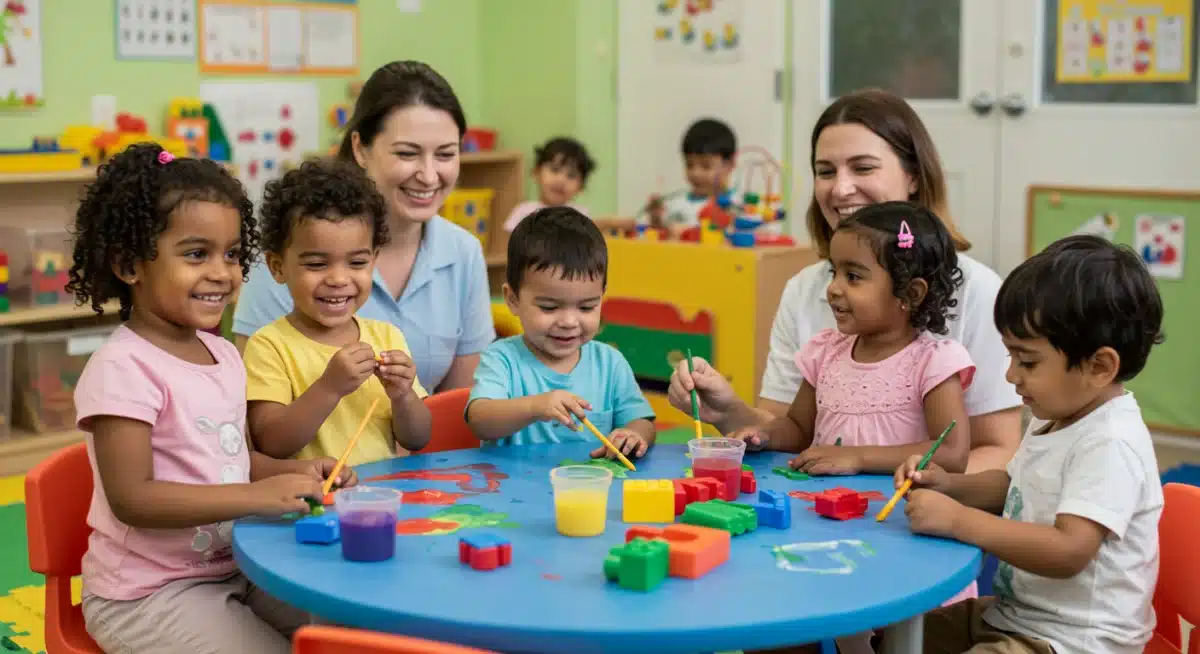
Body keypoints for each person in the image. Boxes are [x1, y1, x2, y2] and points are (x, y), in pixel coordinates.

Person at [66, 144, 356, 653]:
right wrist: (255, 497)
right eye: (196, 254)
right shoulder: (121, 369)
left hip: (235, 566)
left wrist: (293, 475)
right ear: (130, 265)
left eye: (232, 255)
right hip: (148, 595)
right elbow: (132, 498)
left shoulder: (223, 354)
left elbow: (232, 461)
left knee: (347, 625)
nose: (222, 273)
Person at [669, 89, 1022, 473]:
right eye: (825, 171)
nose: (840, 188)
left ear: (914, 176)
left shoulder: (977, 290)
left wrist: (891, 490)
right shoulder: (806, 289)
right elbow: (793, 430)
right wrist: (727, 410)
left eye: (863, 168)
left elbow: (996, 451)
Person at [897, 235, 1164, 654]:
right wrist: (948, 485)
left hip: (1073, 642)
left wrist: (957, 520)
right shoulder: (1060, 417)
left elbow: (1068, 551)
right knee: (898, 636)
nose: (1010, 375)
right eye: (1010, 357)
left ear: (1099, 366)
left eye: (1028, 361)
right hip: (1015, 616)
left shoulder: (1111, 442)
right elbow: (1016, 485)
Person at [734, 201, 976, 654]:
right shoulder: (825, 351)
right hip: (829, 528)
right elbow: (799, 429)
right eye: (833, 272)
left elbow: (951, 453)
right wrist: (763, 434)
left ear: (911, 292)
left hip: (901, 537)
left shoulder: (933, 360)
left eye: (854, 276)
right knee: (787, 623)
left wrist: (858, 458)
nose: (833, 290)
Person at [233, 60, 495, 393]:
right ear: (360, 148)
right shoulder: (292, 246)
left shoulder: (463, 253)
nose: (429, 176)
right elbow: (250, 406)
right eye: (407, 153)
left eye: (445, 155)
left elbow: (461, 406)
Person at [243, 159, 432, 466]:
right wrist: (329, 387)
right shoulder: (268, 346)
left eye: (357, 263)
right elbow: (271, 443)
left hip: (376, 500)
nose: (339, 279)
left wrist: (404, 395)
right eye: (317, 264)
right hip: (312, 503)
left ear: (374, 260)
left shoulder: (386, 336)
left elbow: (417, 438)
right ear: (278, 267)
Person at [466, 206, 656, 457]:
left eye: (587, 307)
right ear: (512, 299)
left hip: (592, 491)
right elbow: (480, 420)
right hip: (514, 491)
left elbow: (642, 420)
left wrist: (633, 435)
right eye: (549, 307)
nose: (568, 321)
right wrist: (535, 406)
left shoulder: (609, 363)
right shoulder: (502, 359)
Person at [641, 118, 739, 234]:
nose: (695, 173)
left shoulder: (735, 206)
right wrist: (656, 219)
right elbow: (659, 236)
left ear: (730, 165)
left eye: (706, 166)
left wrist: (686, 232)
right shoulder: (675, 204)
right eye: (689, 165)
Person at [503, 136, 596, 232]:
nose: (561, 180)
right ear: (537, 172)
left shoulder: (581, 218)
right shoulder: (523, 213)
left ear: (580, 187)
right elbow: (509, 245)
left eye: (571, 176)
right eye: (554, 170)